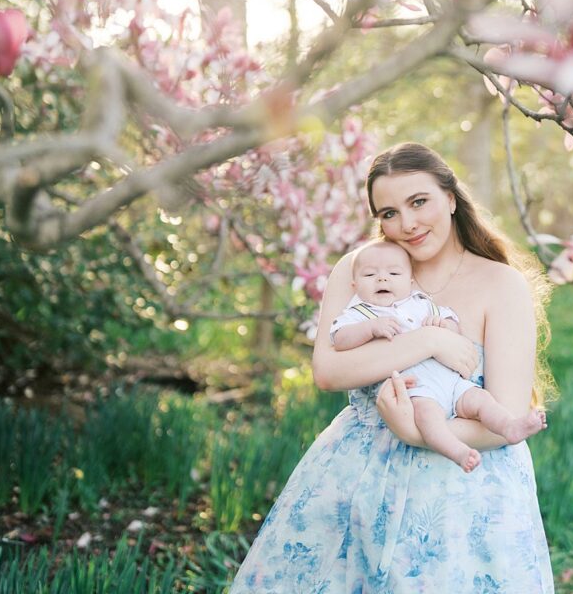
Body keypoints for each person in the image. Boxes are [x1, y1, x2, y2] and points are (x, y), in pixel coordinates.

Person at [228, 142, 555, 593]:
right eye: (389, 213)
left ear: (451, 198)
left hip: (463, 489)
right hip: (359, 471)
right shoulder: (362, 270)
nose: (408, 224)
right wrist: (427, 340)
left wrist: (417, 433)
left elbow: (506, 419)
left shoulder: (500, 284)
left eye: (419, 202)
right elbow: (328, 371)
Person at [331, 238, 547, 471]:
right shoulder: (359, 313)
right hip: (418, 390)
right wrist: (369, 328)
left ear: (410, 281)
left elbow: (454, 328)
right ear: (354, 284)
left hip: (451, 382)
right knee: (428, 419)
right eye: (370, 275)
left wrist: (445, 327)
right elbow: (340, 338)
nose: (382, 279)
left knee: (481, 401)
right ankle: (458, 451)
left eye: (394, 273)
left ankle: (509, 426)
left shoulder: (421, 302)